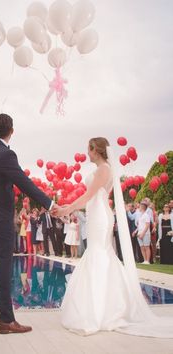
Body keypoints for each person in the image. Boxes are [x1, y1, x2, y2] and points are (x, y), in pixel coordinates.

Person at [57, 137, 173, 337]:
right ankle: (105, 306)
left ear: (96, 150)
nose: (87, 152)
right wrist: (69, 209)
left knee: (100, 254)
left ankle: (104, 310)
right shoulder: (103, 169)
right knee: (100, 254)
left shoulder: (104, 170)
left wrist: (67, 208)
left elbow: (89, 195)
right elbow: (89, 197)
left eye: (89, 149)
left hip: (100, 216)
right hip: (96, 213)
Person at [0, 109, 57, 334]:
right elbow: (25, 183)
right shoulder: (5, 154)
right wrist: (49, 204)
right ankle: (6, 320)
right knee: (3, 265)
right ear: (12, 131)